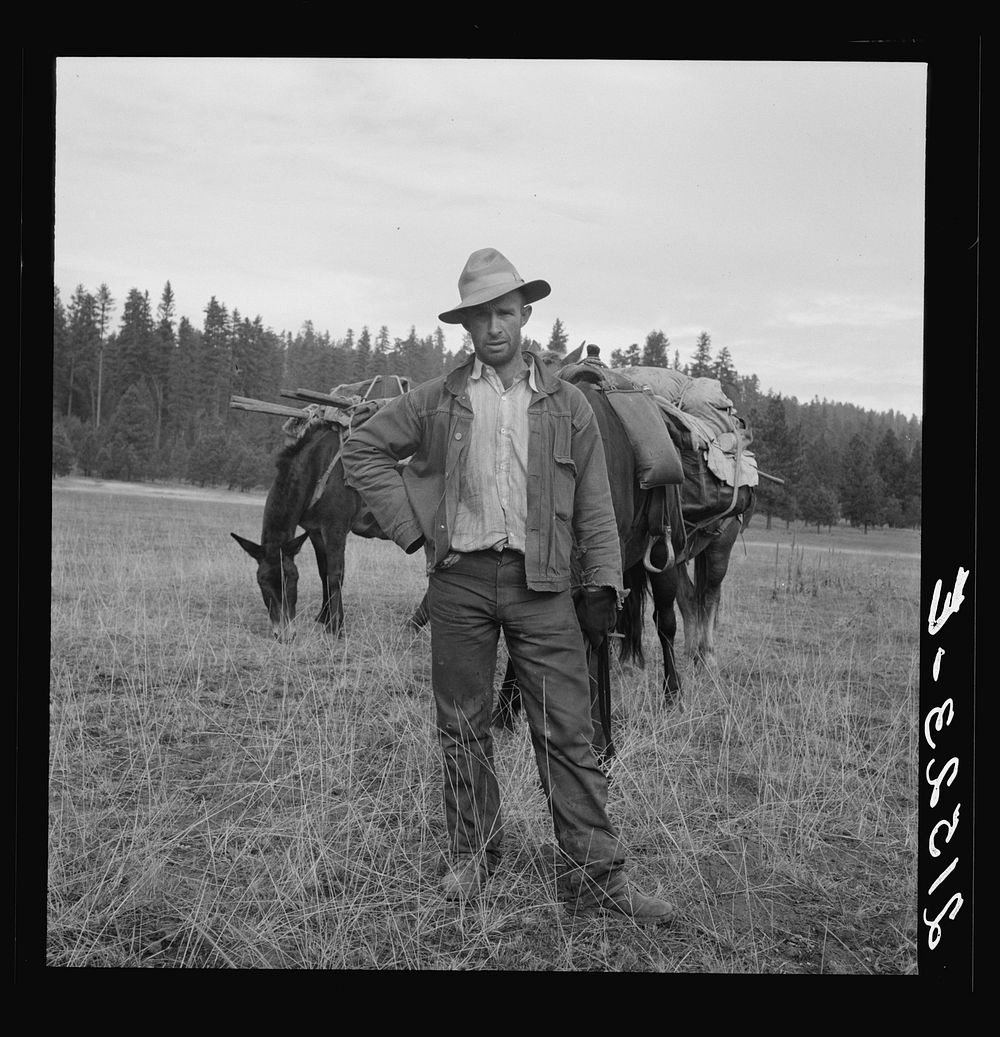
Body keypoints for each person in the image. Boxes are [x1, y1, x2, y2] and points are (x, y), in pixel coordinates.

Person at [342, 247, 677, 924]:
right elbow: (362, 449)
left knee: (569, 731)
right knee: (462, 725)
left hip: (544, 584)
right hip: (459, 582)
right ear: (465, 325)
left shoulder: (569, 404)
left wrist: (603, 586)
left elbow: (594, 509)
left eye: (504, 312)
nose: (493, 327)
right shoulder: (439, 400)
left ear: (525, 314)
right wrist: (414, 530)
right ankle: (473, 855)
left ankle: (596, 881)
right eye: (479, 316)